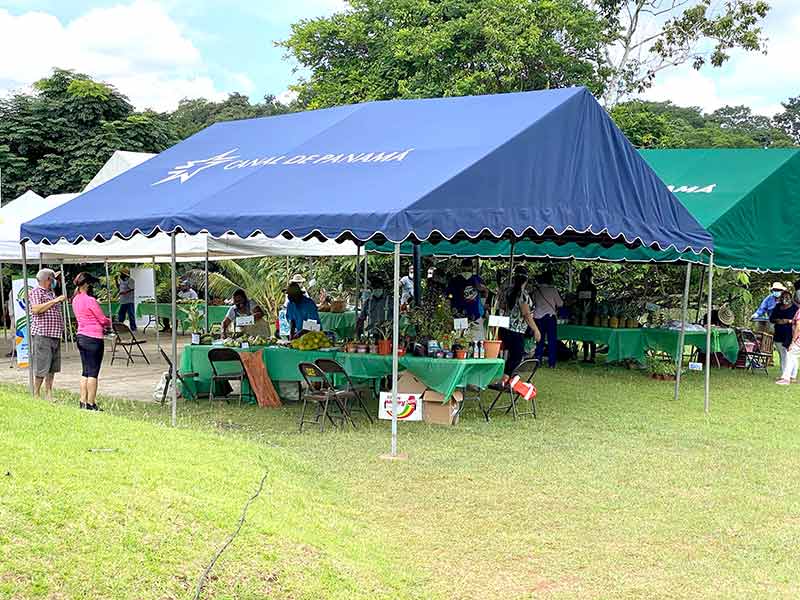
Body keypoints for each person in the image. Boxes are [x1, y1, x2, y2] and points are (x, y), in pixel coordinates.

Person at [72, 272, 111, 410]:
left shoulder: (75, 300)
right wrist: (109, 321)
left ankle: (82, 401)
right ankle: (91, 403)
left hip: (81, 336)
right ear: (87, 284)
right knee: (93, 372)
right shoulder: (90, 300)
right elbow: (102, 319)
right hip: (93, 338)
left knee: (85, 371)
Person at [29, 268, 66, 401]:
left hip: (54, 334)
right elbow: (36, 309)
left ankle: (49, 393)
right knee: (42, 365)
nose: (55, 282)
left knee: (52, 366)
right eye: (53, 279)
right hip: (42, 334)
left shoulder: (51, 292)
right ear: (48, 280)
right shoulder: (35, 292)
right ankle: (36, 394)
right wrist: (55, 301)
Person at [498, 266, 541, 382]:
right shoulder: (524, 296)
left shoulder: (506, 291)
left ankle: (509, 378)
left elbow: (501, 307)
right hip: (516, 331)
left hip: (504, 328)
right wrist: (536, 330)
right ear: (526, 280)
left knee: (510, 355)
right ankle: (505, 379)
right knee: (517, 356)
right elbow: (526, 314)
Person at [446, 258, 488, 340]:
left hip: (475, 316)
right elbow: (448, 297)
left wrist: (481, 289)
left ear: (472, 269)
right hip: (458, 315)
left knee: (476, 342)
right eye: (464, 269)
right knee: (459, 342)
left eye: (469, 269)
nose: (466, 272)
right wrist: (449, 311)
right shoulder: (454, 280)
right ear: (461, 268)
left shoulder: (477, 279)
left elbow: (485, 293)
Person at [531, 271, 564, 368]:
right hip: (550, 317)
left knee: (539, 340)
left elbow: (532, 303)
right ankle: (552, 363)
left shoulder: (536, 291)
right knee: (552, 341)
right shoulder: (553, 290)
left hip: (538, 317)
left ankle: (538, 360)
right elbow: (560, 304)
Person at [772, 291, 799, 383]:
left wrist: (788, 321)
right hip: (779, 333)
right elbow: (772, 318)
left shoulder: (795, 308)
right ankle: (784, 374)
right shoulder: (777, 307)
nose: (785, 299)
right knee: (782, 354)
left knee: (791, 354)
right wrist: (779, 321)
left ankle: (792, 375)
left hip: (790, 334)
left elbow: (797, 322)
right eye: (783, 297)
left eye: (787, 297)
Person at [575, 266, 598, 362]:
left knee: (591, 335)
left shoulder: (593, 287)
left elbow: (593, 299)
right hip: (582, 313)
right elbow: (577, 299)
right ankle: (585, 356)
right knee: (584, 335)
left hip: (591, 314)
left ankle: (592, 356)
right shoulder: (579, 286)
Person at [777, 306, 800, 385]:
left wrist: (793, 341)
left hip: (798, 340)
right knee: (794, 357)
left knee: (790, 356)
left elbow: (798, 327)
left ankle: (786, 378)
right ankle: (792, 376)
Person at [116, 267, 136, 332]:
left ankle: (133, 328)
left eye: (121, 274)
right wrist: (116, 281)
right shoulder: (121, 280)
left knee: (131, 314)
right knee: (121, 314)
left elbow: (132, 289)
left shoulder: (131, 280)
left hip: (129, 300)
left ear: (125, 274)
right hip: (123, 300)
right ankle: (120, 327)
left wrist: (125, 292)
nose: (120, 275)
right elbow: (119, 288)